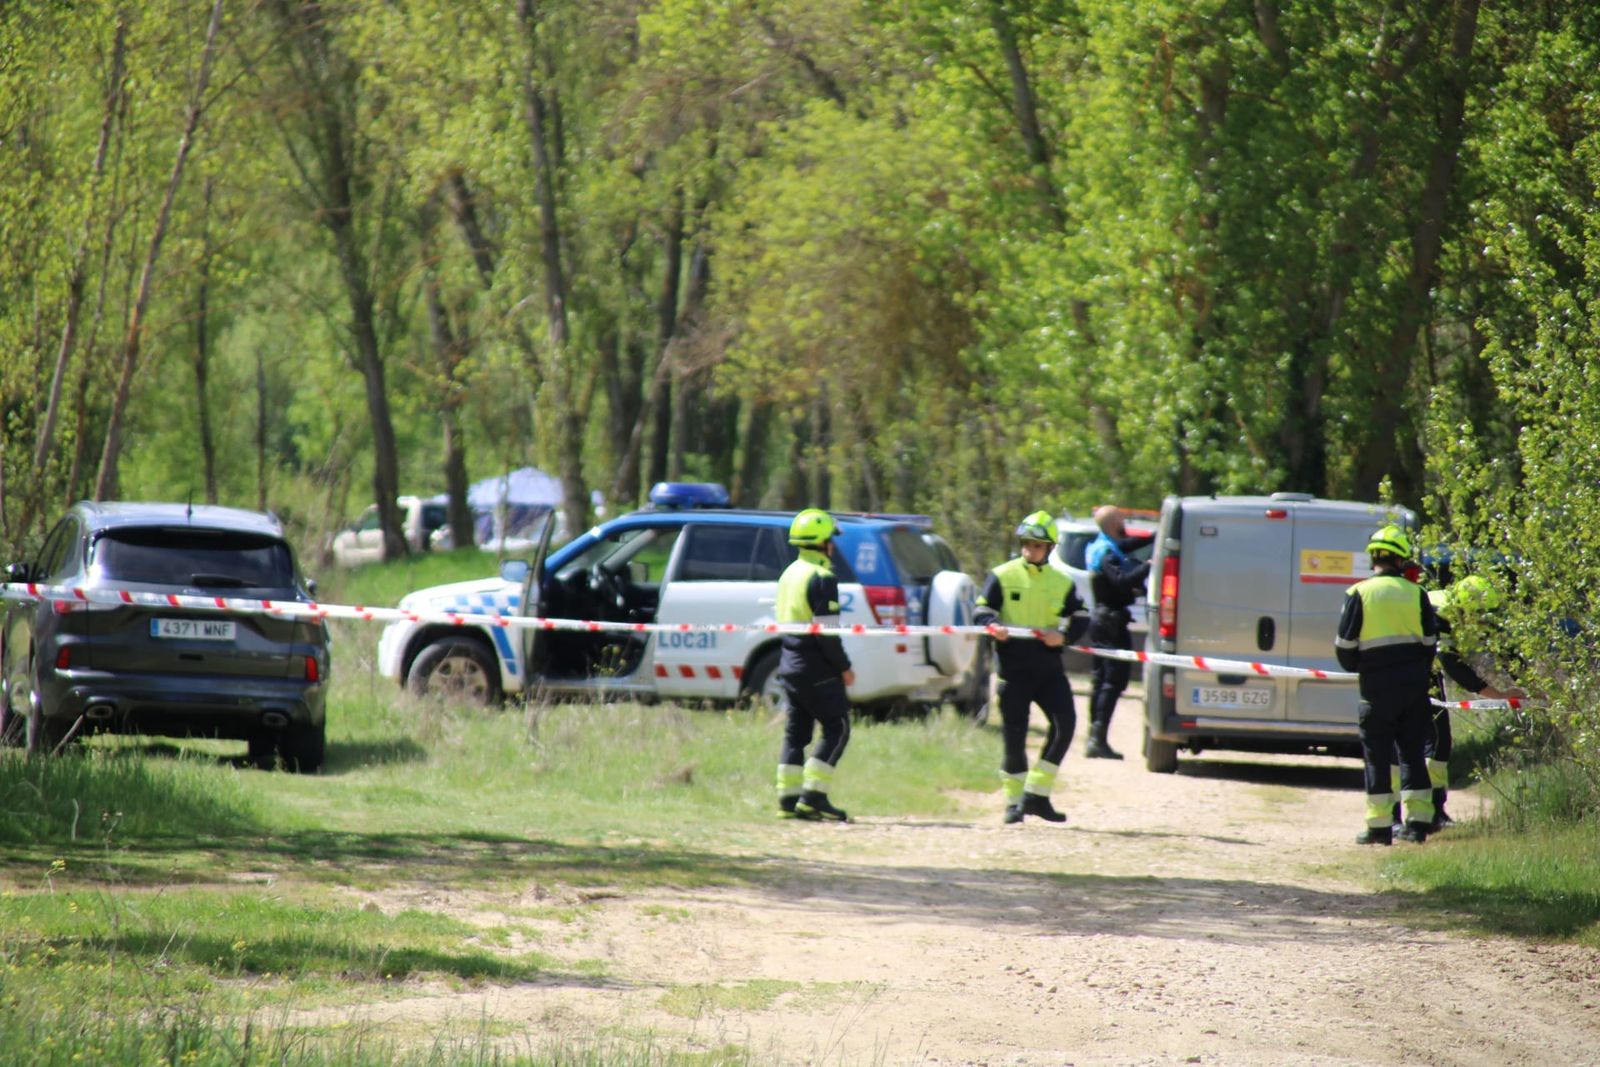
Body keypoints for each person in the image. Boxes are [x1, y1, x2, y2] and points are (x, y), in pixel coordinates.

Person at [973, 511, 1089, 824]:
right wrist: (993, 625)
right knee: (1015, 736)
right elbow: (982, 610)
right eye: (1025, 544)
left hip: (1049, 670)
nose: (1029, 550)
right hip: (1013, 670)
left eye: (1036, 545)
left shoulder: (1062, 582)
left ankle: (1037, 796)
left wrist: (1063, 637)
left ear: (1049, 548)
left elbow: (1082, 616)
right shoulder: (1002, 574)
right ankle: (1013, 804)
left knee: (1065, 725)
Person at [1334, 524, 1439, 845]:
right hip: (1413, 689)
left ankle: (1379, 828)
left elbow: (1344, 646)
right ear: (1401, 559)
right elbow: (1429, 643)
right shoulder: (1417, 593)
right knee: (1412, 755)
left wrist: (1360, 666)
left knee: (1378, 758)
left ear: (1373, 558)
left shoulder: (1359, 593)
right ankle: (1418, 824)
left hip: (1376, 690)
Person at [1422, 575, 1525, 830]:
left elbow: (1503, 647)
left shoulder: (1470, 608)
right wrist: (1497, 694)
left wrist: (1533, 684)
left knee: (1441, 743)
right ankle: (1424, 814)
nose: (1480, 623)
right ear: (1466, 609)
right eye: (1478, 616)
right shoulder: (1440, 614)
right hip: (1413, 670)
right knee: (1433, 741)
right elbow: (1452, 665)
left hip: (1424, 667)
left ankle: (1435, 811)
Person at [774, 508, 856, 822]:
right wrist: (844, 666)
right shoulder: (822, 578)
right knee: (839, 728)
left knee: (796, 736)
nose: (833, 547)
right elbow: (827, 633)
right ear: (822, 543)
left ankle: (788, 800)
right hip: (817, 667)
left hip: (789, 665)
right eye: (831, 541)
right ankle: (814, 797)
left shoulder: (789, 574)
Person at [1083, 505, 1154, 759]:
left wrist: (1154, 538)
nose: (1125, 524)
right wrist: (1148, 566)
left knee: (1102, 681)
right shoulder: (1106, 554)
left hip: (1104, 621)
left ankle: (1095, 738)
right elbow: (1122, 581)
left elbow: (1128, 544)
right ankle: (1096, 740)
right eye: (1122, 520)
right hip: (1110, 623)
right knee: (1111, 682)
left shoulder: (1101, 545)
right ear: (1114, 524)